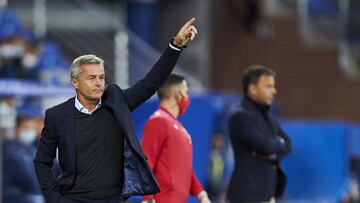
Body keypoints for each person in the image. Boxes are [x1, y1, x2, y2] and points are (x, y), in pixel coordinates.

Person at [34, 18, 198, 203]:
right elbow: (42, 162)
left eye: (101, 77)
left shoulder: (117, 102)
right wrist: (53, 199)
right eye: (91, 78)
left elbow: (152, 82)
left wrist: (175, 46)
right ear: (75, 82)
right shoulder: (57, 115)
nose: (98, 83)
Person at [141, 74, 211, 203]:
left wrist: (201, 193)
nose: (187, 98)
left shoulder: (179, 128)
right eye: (185, 92)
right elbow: (145, 161)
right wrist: (148, 198)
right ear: (177, 94)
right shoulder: (158, 121)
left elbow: (185, 169)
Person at [226, 65, 292, 203]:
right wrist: (276, 145)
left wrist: (272, 148)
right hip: (246, 196)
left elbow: (288, 145)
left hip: (268, 195)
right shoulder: (240, 116)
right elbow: (264, 146)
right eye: (268, 87)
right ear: (253, 89)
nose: (274, 91)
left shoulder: (269, 117)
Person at [3, 114, 43, 203]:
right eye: (25, 128)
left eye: (31, 129)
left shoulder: (32, 149)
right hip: (17, 196)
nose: (29, 132)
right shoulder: (11, 150)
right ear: (17, 130)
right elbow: (30, 180)